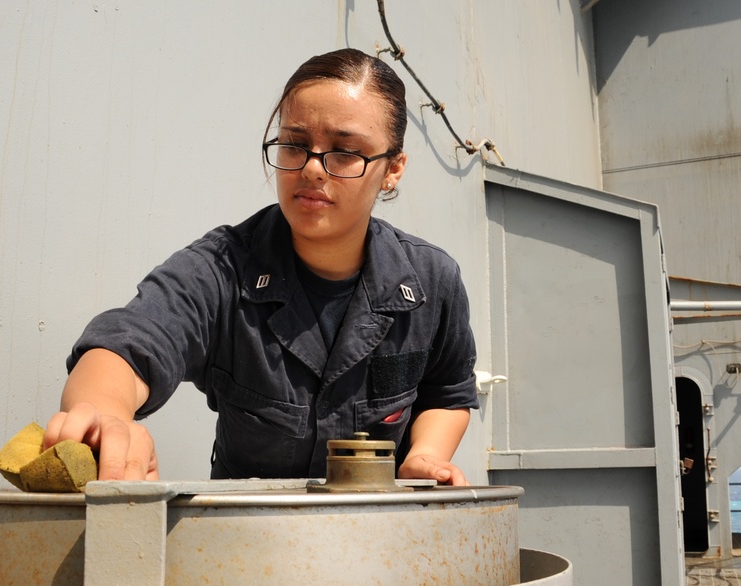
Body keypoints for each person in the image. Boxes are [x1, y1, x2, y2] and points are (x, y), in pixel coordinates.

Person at [43, 48, 478, 485]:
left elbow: (446, 390)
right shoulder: (222, 269)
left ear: (393, 169)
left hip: (380, 536)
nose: (311, 168)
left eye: (345, 151)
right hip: (244, 543)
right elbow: (130, 345)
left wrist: (425, 454)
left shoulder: (431, 282)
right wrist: (105, 417)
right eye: (294, 144)